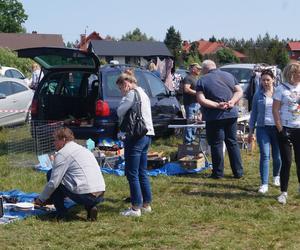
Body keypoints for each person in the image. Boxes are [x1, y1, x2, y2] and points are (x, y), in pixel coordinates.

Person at [34, 127, 106, 221]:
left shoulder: (62, 153)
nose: (54, 143)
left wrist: (41, 199)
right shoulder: (83, 149)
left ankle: (61, 213)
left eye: (55, 140)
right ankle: (91, 208)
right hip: (100, 193)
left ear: (63, 139)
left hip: (85, 195)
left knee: (51, 174)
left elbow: (53, 183)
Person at [196, 60, 244, 179]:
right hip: (231, 114)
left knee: (217, 144)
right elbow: (239, 91)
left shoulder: (202, 80)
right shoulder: (229, 75)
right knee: (232, 142)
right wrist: (232, 101)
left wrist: (217, 105)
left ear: (204, 69)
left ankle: (218, 173)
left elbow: (201, 100)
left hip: (214, 116)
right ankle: (238, 172)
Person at [116, 72, 155, 217]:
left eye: (120, 88)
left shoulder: (131, 94)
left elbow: (120, 112)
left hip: (136, 136)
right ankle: (146, 204)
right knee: (142, 171)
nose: (121, 92)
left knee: (132, 173)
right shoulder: (143, 93)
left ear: (126, 84)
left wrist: (123, 98)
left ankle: (135, 207)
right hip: (147, 134)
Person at [248, 69, 281, 194]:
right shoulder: (258, 94)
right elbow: (254, 113)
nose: (266, 82)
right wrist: (250, 131)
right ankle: (264, 183)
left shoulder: (279, 93)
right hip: (263, 129)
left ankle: (276, 176)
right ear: (260, 81)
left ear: (273, 79)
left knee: (277, 155)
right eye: (263, 80)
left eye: (268, 80)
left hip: (277, 128)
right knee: (265, 155)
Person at [272, 62, 300, 204]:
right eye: (297, 73)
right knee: (287, 161)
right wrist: (280, 129)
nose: (299, 76)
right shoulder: (280, 89)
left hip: (299, 129)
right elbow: (275, 110)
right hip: (285, 129)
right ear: (291, 74)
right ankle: (284, 192)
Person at [182, 62, 202, 144]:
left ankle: (192, 139)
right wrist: (197, 93)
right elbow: (186, 89)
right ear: (193, 69)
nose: (199, 70)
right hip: (190, 103)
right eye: (198, 69)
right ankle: (188, 142)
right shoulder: (188, 78)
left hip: (196, 103)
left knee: (195, 122)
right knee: (190, 122)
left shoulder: (196, 78)